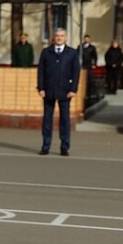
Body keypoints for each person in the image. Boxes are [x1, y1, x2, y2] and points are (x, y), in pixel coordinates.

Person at [37, 28, 81, 156]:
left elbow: (75, 72)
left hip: (65, 91)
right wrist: (41, 88)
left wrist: (73, 89)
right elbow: (41, 72)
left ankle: (64, 146)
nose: (59, 38)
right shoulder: (46, 52)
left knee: (65, 120)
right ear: (53, 37)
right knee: (47, 120)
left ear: (66, 38)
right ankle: (46, 146)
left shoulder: (72, 53)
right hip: (49, 90)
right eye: (57, 36)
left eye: (62, 36)